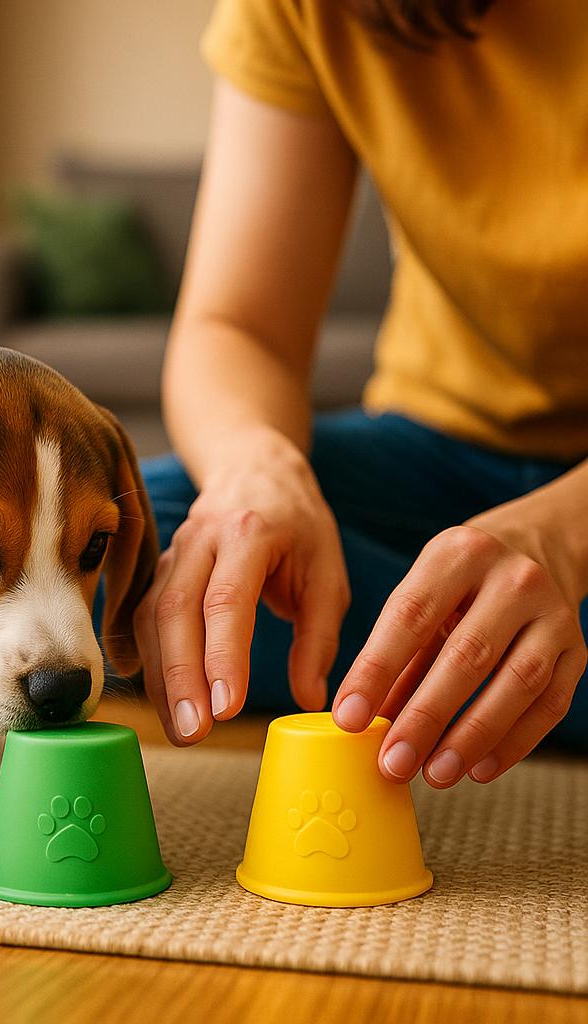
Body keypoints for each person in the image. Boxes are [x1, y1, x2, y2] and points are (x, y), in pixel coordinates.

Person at [132, 0, 588, 788]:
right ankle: (506, 674)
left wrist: (561, 536)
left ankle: (503, 670)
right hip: (435, 445)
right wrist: (258, 473)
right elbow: (238, 327)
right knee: (149, 544)